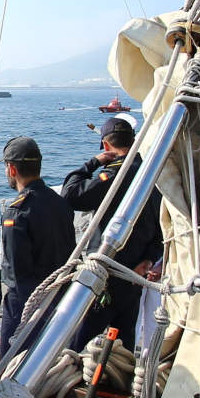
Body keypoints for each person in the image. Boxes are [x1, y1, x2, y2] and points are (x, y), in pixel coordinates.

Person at [59, 116, 165, 351]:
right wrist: (149, 259)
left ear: (106, 146)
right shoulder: (152, 174)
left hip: (107, 272)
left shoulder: (114, 174)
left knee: (81, 338)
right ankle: (116, 383)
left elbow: (71, 195)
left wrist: (92, 164)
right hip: (136, 272)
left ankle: (70, 376)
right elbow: (162, 225)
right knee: (124, 338)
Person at [0, 136, 74, 357]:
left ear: (11, 169)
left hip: (27, 302)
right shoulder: (60, 202)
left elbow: (16, 270)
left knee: (11, 363)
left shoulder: (17, 211)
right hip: (59, 295)